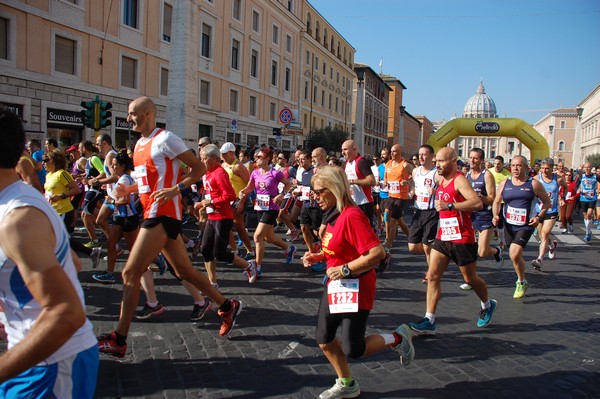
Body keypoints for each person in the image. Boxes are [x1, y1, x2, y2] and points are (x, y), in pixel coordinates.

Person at [97, 97, 242, 357]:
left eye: (132, 114)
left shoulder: (166, 139)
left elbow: (197, 168)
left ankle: (119, 338)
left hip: (163, 214)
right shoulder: (139, 145)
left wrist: (176, 188)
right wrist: (128, 188)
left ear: (148, 113)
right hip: (152, 212)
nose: (128, 118)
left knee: (130, 273)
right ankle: (227, 305)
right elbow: (147, 183)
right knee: (184, 271)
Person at [0, 108, 98, 397]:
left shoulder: (19, 219)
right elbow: (74, 264)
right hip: (36, 358)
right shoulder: (15, 205)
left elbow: (67, 313)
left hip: (53, 363)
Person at [301, 165, 414, 399]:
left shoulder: (352, 215)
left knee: (354, 349)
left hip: (357, 286)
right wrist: (319, 256)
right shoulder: (332, 213)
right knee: (324, 339)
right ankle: (347, 383)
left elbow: (377, 253)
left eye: (319, 191)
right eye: (314, 191)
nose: (315, 196)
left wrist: (345, 269)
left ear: (334, 189)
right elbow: (337, 247)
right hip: (336, 285)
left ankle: (397, 338)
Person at [408, 147, 496, 335]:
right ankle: (429, 319)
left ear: (454, 161)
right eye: (437, 161)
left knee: (469, 279)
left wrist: (451, 205)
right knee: (432, 276)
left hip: (462, 237)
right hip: (443, 236)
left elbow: (477, 203)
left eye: (441, 161)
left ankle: (487, 304)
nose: (437, 164)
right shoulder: (439, 179)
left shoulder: (460, 180)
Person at [195, 143, 257, 285]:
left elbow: (229, 195)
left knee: (220, 253)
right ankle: (213, 283)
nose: (202, 161)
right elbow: (209, 193)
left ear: (213, 158)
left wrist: (211, 202)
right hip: (212, 216)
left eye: (204, 158)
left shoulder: (220, 172)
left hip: (223, 217)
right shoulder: (208, 173)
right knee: (205, 250)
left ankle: (249, 265)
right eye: (201, 158)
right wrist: (201, 202)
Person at [493, 155, 550, 299]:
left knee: (514, 253)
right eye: (513, 166)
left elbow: (547, 202)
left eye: (519, 165)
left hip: (526, 225)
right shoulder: (505, 183)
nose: (515, 168)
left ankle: (520, 281)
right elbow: (496, 201)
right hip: (509, 224)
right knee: (514, 256)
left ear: (526, 167)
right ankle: (523, 280)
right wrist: (495, 215)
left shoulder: (534, 184)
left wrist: (538, 217)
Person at [238, 148, 297, 275]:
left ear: (267, 159)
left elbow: (288, 184)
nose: (256, 159)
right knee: (268, 237)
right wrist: (243, 191)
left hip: (272, 208)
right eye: (256, 156)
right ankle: (289, 248)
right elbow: (250, 187)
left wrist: (281, 195)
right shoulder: (255, 173)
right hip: (260, 206)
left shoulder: (275, 173)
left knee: (258, 236)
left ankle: (257, 266)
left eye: (259, 156)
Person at [43, 148, 102, 268]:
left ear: (54, 161)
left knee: (59, 239)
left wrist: (62, 196)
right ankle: (90, 253)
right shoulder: (48, 175)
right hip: (53, 211)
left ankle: (66, 266)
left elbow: (76, 189)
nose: (43, 163)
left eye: (46, 160)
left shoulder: (62, 174)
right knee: (58, 240)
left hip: (64, 211)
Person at [92, 151, 139, 284]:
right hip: (120, 217)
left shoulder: (124, 179)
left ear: (122, 166)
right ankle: (110, 274)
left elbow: (126, 201)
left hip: (128, 218)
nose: (112, 168)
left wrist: (111, 201)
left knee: (134, 251)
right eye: (112, 165)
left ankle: (150, 265)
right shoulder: (121, 178)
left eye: (115, 165)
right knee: (111, 244)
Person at [461, 148, 503, 290]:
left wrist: (479, 197)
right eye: (470, 157)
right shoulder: (466, 176)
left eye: (476, 158)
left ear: (482, 161)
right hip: (469, 216)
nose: (472, 161)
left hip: (484, 216)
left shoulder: (487, 176)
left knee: (482, 252)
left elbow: (492, 199)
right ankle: (470, 280)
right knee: (469, 250)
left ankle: (497, 251)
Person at [407, 144, 439, 284]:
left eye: (424, 154)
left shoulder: (436, 173)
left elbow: (447, 189)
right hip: (418, 211)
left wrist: (436, 192)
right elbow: (414, 184)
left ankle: (431, 272)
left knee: (426, 246)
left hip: (431, 212)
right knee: (412, 246)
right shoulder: (415, 171)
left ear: (432, 156)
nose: (420, 157)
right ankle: (437, 254)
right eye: (419, 154)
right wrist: (412, 191)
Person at [220, 142, 254, 260]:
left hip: (237, 200)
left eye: (224, 154)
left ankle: (250, 251)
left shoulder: (239, 166)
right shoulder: (223, 165)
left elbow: (249, 185)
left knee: (238, 226)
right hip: (226, 199)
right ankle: (235, 250)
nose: (222, 156)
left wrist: (242, 201)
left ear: (231, 153)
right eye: (221, 154)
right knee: (226, 225)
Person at [531, 158, 567, 269]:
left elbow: (565, 187)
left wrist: (562, 197)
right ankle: (552, 244)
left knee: (545, 233)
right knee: (542, 235)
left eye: (547, 168)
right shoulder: (536, 178)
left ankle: (539, 259)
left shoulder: (558, 179)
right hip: (539, 210)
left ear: (552, 168)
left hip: (552, 210)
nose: (544, 171)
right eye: (542, 168)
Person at [382, 144, 413, 252]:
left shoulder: (404, 165)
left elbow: (415, 174)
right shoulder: (388, 164)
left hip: (401, 197)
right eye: (391, 151)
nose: (392, 153)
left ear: (400, 152)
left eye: (394, 151)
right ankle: (410, 236)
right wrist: (384, 182)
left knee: (392, 220)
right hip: (391, 195)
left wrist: (407, 182)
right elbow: (385, 177)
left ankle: (388, 245)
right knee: (395, 219)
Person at [341, 140, 376, 225]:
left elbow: (372, 181)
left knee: (366, 231)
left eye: (345, 149)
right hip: (352, 202)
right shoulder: (347, 163)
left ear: (354, 149)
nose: (343, 153)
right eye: (342, 150)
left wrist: (354, 181)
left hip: (364, 203)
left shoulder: (361, 162)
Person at [577, 162, 598, 241]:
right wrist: (578, 190)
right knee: (585, 216)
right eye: (585, 167)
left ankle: (588, 232)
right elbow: (576, 186)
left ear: (591, 168)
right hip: (583, 198)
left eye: (588, 167)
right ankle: (589, 231)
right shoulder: (581, 176)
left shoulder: (596, 176)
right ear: (584, 168)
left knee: (589, 215)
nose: (587, 169)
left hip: (592, 198)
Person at [559, 169, 579, 234]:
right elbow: (558, 191)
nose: (568, 176)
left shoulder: (574, 184)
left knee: (568, 216)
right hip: (563, 200)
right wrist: (561, 198)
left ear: (571, 176)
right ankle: (565, 228)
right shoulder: (561, 183)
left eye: (569, 175)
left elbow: (578, 192)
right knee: (562, 217)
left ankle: (570, 225)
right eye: (566, 175)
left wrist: (574, 197)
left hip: (571, 201)